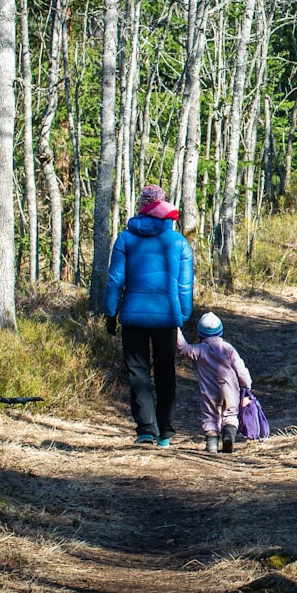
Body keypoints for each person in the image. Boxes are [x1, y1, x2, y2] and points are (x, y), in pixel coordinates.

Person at [104, 184, 194, 448]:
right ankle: (164, 432)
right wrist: (183, 314)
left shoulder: (125, 238)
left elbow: (115, 280)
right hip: (166, 317)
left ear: (142, 206)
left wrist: (111, 312)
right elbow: (185, 285)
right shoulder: (178, 241)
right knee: (166, 372)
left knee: (138, 372)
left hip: (133, 317)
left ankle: (145, 429)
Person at [177, 312, 253, 454]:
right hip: (230, 390)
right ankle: (228, 435)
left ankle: (212, 444)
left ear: (200, 333)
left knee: (210, 416)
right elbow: (240, 367)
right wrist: (246, 384)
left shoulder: (199, 350)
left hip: (210, 393)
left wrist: (176, 328)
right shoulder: (228, 348)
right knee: (230, 415)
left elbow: (183, 348)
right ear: (221, 330)